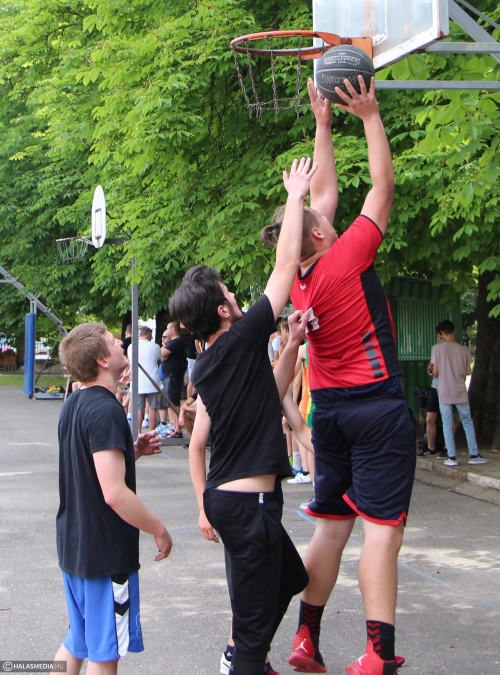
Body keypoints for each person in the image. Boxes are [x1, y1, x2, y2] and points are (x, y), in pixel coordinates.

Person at [261, 77, 415, 675]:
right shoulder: (347, 256)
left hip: (329, 412)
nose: (327, 212)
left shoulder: (296, 279)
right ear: (321, 233)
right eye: (320, 217)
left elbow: (320, 194)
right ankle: (378, 654)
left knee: (330, 530)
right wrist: (369, 116)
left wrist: (323, 125)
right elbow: (382, 187)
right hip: (376, 407)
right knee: (383, 532)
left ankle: (306, 638)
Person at [168, 155, 318, 675]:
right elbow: (285, 264)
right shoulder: (243, 337)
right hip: (247, 505)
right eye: (230, 292)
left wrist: (291, 346)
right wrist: (295, 197)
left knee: (291, 578)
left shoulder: (212, 364)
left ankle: (245, 652)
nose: (235, 294)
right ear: (224, 311)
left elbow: (266, 394)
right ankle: (245, 658)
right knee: (251, 640)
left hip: (238, 501)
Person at [52, 322, 172, 675]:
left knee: (78, 640)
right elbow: (114, 493)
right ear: (103, 361)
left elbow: (90, 470)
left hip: (75, 547)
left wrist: (132, 452)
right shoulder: (106, 410)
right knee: (104, 655)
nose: (121, 342)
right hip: (103, 555)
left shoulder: (75, 403)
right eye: (113, 341)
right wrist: (158, 528)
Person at [432, 319, 487, 467]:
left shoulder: (437, 349)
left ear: (441, 333)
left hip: (444, 390)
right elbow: (468, 371)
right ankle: (474, 455)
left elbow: (435, 371)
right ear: (454, 330)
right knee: (467, 421)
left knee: (447, 423)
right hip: (460, 390)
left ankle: (451, 457)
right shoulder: (464, 350)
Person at [127, 326, 162, 432]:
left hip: (138, 381)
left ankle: (138, 432)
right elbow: (159, 361)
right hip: (153, 381)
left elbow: (131, 364)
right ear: (148, 335)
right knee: (153, 408)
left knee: (138, 408)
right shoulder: (156, 347)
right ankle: (152, 432)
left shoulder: (131, 347)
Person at [157, 321, 186, 439]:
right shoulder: (173, 342)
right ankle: (173, 426)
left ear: (173, 330)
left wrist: (164, 344)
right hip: (169, 375)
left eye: (168, 328)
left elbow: (161, 353)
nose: (166, 331)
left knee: (174, 403)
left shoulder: (176, 342)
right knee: (170, 402)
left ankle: (177, 429)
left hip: (173, 376)